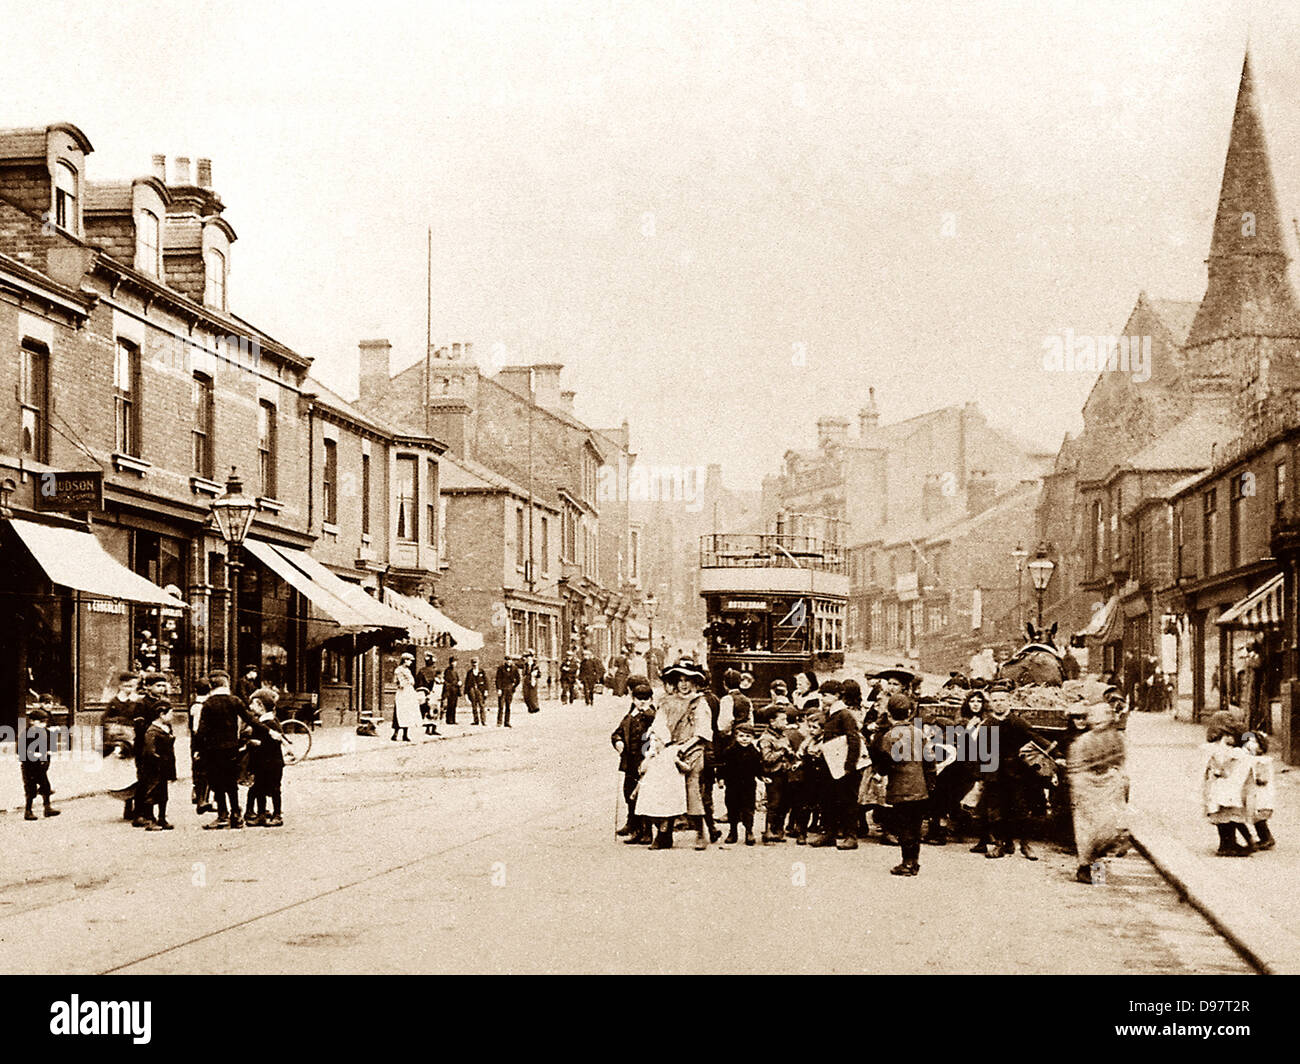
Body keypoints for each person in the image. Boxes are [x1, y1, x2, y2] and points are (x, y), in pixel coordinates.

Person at [650, 658, 714, 850]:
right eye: (680, 680)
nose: (684, 684)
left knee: (691, 785)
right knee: (664, 785)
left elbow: (703, 731)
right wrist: (663, 744)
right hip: (671, 748)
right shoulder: (667, 702)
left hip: (692, 749)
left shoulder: (699, 703)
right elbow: (659, 725)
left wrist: (684, 748)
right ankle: (664, 833)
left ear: (695, 682)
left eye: (688, 680)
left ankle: (700, 832)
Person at [979, 695, 1049, 860]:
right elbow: (982, 752)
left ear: (1009, 702)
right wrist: (983, 775)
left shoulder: (1018, 722)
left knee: (1020, 810)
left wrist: (1055, 754)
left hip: (1017, 773)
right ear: (991, 704)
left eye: (1002, 700)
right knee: (996, 810)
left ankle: (1025, 845)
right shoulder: (987, 724)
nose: (999, 703)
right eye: (995, 700)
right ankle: (1001, 844)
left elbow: (1036, 739)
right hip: (995, 774)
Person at [874, 693, 937, 876]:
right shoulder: (919, 733)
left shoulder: (889, 736)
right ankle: (914, 862)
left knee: (903, 827)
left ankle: (906, 863)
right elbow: (930, 761)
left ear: (889, 714)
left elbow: (885, 765)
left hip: (899, 789)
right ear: (910, 712)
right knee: (915, 826)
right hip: (920, 787)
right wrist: (930, 782)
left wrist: (880, 772)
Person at [1066, 703, 1129, 883]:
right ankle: (1085, 868)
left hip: (1108, 787)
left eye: (1104, 716)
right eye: (1096, 717)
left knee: (1108, 830)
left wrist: (1116, 778)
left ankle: (1099, 872)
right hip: (1088, 789)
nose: (1100, 722)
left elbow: (1121, 763)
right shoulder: (1082, 742)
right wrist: (1081, 788)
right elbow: (1075, 769)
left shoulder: (1117, 739)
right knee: (1088, 832)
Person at [197, 670, 259, 829]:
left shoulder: (208, 704)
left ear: (211, 685)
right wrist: (269, 731)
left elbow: (202, 731)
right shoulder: (235, 701)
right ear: (226, 683)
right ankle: (236, 815)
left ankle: (222, 815)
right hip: (232, 748)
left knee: (217, 782)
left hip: (212, 750)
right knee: (231, 782)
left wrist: (198, 749)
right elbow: (250, 719)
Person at [1203, 712, 1253, 856]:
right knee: (1227, 816)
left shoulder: (1216, 747)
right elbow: (1220, 766)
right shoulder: (1220, 749)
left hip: (1220, 786)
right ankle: (1227, 845)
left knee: (1224, 817)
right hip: (1222, 787)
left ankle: (1227, 843)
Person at [612, 681, 656, 843]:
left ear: (651, 700)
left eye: (646, 698)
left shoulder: (652, 716)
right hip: (630, 762)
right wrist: (618, 741)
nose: (642, 701)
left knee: (644, 795)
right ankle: (634, 827)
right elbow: (617, 733)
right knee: (628, 793)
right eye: (638, 698)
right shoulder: (630, 716)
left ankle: (647, 831)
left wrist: (645, 712)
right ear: (633, 699)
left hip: (646, 761)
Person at [245, 689, 286, 827]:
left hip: (272, 763)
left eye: (253, 704)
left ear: (260, 705)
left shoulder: (270, 723)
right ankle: (261, 814)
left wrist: (258, 744)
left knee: (275, 788)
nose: (250, 707)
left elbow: (274, 742)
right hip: (261, 763)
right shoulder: (262, 721)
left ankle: (277, 815)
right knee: (260, 788)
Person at [137, 698, 177, 831]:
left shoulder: (165, 728)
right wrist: (158, 760)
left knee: (163, 794)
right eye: (171, 713)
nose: (173, 716)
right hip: (154, 767)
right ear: (161, 714)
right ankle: (150, 819)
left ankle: (162, 818)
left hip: (164, 766)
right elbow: (149, 750)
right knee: (152, 792)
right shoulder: (152, 731)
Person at [722, 724, 762, 845]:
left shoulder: (754, 752)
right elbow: (723, 768)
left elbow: (758, 768)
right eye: (741, 736)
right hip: (732, 786)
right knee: (732, 808)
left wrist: (762, 776)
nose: (744, 739)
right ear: (735, 737)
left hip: (748, 786)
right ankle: (732, 831)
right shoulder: (729, 751)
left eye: (748, 736)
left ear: (752, 738)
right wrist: (720, 779)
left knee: (748, 809)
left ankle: (749, 832)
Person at [17, 707, 59, 821]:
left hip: (41, 766)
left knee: (46, 786)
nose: (43, 724)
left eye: (45, 722)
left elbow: (51, 746)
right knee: (31, 789)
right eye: (40, 722)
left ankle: (47, 808)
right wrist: (31, 754)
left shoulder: (46, 732)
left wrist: (49, 751)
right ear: (31, 721)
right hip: (29, 767)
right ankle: (28, 810)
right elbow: (20, 751)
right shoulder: (26, 734)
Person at [1242, 731, 1276, 851]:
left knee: (1259, 816)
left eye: (1253, 742)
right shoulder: (1251, 760)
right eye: (1247, 742)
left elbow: (1263, 778)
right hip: (1255, 793)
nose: (1249, 745)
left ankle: (1267, 838)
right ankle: (1264, 837)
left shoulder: (1262, 761)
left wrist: (1258, 778)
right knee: (1256, 816)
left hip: (1262, 793)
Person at [188, 678, 214, 815]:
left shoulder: (196, 705)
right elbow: (197, 728)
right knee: (203, 770)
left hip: (197, 741)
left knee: (200, 769)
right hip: (202, 742)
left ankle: (202, 797)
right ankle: (201, 799)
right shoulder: (200, 706)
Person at [392, 653, 420, 741]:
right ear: (405, 660)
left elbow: (412, 681)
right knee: (400, 711)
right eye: (409, 660)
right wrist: (401, 683)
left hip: (409, 692)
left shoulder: (408, 670)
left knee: (408, 712)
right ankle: (395, 734)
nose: (411, 662)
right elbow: (396, 681)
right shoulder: (398, 670)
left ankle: (405, 734)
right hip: (402, 693)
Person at [464, 657, 489, 725]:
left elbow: (486, 681)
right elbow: (466, 683)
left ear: (478, 663)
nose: (474, 664)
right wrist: (465, 693)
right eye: (473, 663)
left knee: (481, 705)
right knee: (474, 705)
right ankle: (476, 721)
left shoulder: (482, 671)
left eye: (476, 663)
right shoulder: (469, 672)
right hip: (472, 690)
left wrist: (486, 690)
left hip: (480, 690)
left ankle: (483, 721)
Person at [495, 657, 519, 727]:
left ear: (511, 661)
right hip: (502, 688)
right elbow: (498, 679)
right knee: (501, 706)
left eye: (510, 660)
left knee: (508, 706)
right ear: (505, 661)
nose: (508, 662)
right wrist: (499, 689)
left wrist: (514, 686)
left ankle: (507, 722)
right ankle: (499, 722)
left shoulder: (514, 668)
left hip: (510, 689)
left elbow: (518, 679)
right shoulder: (500, 668)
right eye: (507, 660)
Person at [415, 653, 440, 720]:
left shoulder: (422, 670)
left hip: (427, 692)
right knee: (431, 708)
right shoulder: (432, 671)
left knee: (428, 708)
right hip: (428, 692)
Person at [442, 656, 461, 725]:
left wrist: (459, 682)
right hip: (450, 691)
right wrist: (457, 683)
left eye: (455, 662)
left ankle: (453, 719)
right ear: (450, 663)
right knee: (450, 705)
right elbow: (449, 681)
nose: (455, 663)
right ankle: (449, 720)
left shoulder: (455, 671)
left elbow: (457, 679)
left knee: (454, 705)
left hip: (455, 690)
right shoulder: (448, 671)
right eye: (453, 662)